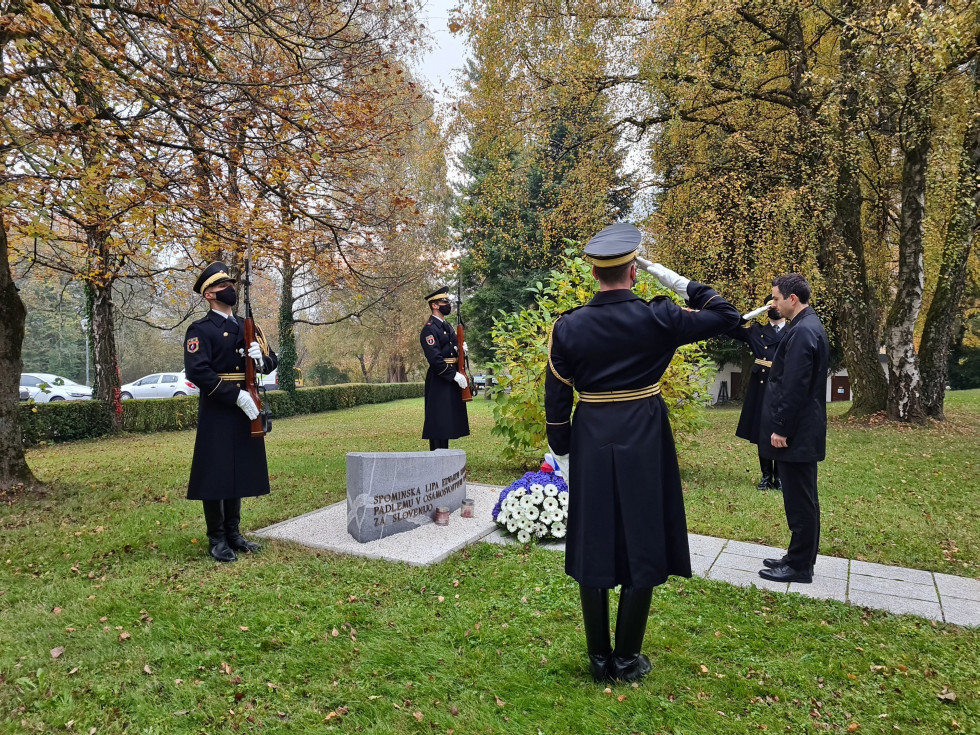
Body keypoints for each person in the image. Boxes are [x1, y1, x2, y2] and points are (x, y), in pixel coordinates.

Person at [544, 223, 740, 683]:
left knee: (593, 537)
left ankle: (599, 660)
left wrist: (563, 451)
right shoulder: (660, 317)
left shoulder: (568, 326)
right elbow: (727, 314)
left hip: (592, 434)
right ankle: (627, 659)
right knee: (642, 534)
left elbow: (557, 401)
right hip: (645, 435)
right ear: (634, 271)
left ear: (594, 274)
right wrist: (672, 278)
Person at [184, 262, 278, 563]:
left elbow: (271, 359)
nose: (230, 289)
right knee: (217, 471)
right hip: (220, 406)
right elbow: (199, 371)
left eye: (231, 284)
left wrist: (261, 361)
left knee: (237, 469)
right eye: (223, 286)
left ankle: (235, 534)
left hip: (247, 404)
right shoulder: (200, 330)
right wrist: (235, 395)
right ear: (209, 294)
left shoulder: (245, 325)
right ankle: (217, 539)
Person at [757, 273, 829, 584]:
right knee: (802, 497)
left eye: (775, 298)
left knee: (800, 499)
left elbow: (795, 385)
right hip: (803, 428)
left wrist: (781, 428)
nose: (773, 303)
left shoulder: (803, 332)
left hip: (797, 432)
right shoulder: (806, 326)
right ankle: (797, 556)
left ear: (792, 299)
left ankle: (800, 567)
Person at [724, 296, 787, 490]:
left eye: (777, 304)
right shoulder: (757, 331)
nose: (774, 308)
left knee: (782, 427)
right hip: (761, 386)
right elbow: (729, 328)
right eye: (769, 305)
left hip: (784, 384)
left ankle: (780, 478)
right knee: (763, 430)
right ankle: (766, 476)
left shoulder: (794, 331)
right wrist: (750, 315)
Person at [419, 286, 469, 451]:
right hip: (440, 378)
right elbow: (435, 359)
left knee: (447, 421)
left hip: (450, 376)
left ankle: (444, 455)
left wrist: (461, 350)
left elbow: (453, 348)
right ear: (434, 305)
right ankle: (436, 455)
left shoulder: (447, 326)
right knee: (438, 421)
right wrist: (452, 375)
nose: (448, 304)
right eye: (444, 301)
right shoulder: (429, 329)